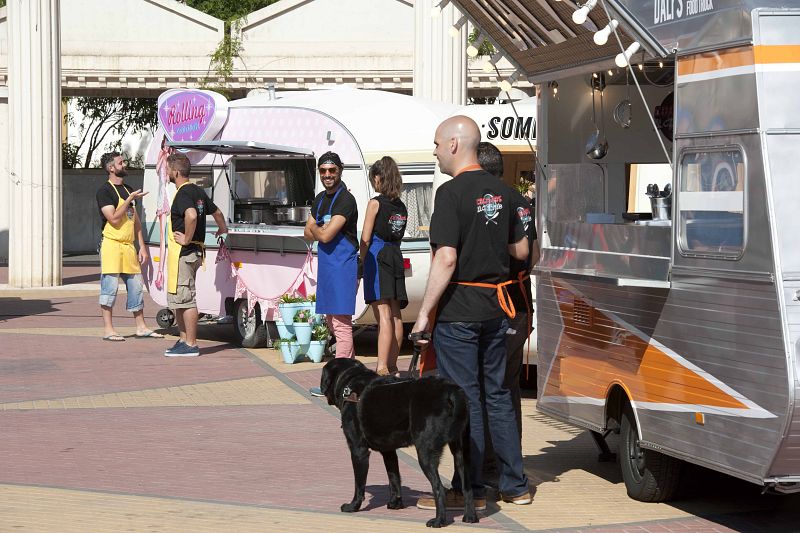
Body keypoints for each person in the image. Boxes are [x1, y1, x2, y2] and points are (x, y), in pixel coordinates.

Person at [413, 116, 532, 512]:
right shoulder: (506, 192)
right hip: (497, 310)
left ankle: (470, 488)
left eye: (434, 143)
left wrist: (424, 312)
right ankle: (515, 485)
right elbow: (521, 253)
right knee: (498, 395)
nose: (433, 151)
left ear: (451, 144)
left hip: (460, 310)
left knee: (465, 400)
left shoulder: (450, 194)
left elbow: (445, 259)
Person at [477, 142, 539, 486]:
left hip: (502, 304)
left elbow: (523, 250)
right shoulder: (521, 203)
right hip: (521, 302)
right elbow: (536, 254)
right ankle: (509, 459)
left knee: (493, 387)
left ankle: (493, 465)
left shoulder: (493, 203)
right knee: (507, 386)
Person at [164, 153, 227, 357]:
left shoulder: (183, 194)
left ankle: (190, 343)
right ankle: (183, 340)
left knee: (186, 298)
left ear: (176, 172)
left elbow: (191, 215)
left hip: (185, 252)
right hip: (193, 253)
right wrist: (222, 229)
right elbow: (217, 212)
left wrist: (187, 239)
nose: (166, 173)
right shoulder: (198, 191)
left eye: (167, 169)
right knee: (179, 298)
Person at [96, 151, 163, 342]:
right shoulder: (104, 191)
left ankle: (141, 327)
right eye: (120, 162)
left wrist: (142, 246)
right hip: (111, 245)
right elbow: (114, 219)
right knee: (109, 288)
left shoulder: (128, 189)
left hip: (128, 246)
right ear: (111, 168)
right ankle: (108, 329)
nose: (124, 164)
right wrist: (128, 200)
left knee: (135, 286)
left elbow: (136, 222)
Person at [305, 151, 359, 360]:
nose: (327, 174)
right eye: (323, 170)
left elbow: (324, 236)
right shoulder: (320, 199)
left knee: (341, 323)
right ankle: (351, 372)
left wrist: (318, 229)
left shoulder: (346, 199)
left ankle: (342, 376)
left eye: (332, 170)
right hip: (327, 267)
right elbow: (306, 233)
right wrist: (321, 229)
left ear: (340, 171)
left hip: (343, 267)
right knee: (330, 320)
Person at [360, 156, 408, 376]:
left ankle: (380, 367)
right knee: (396, 314)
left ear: (378, 178)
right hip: (395, 255)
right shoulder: (402, 206)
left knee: (383, 314)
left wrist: (362, 260)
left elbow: (366, 238)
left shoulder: (375, 203)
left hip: (378, 257)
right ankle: (393, 365)